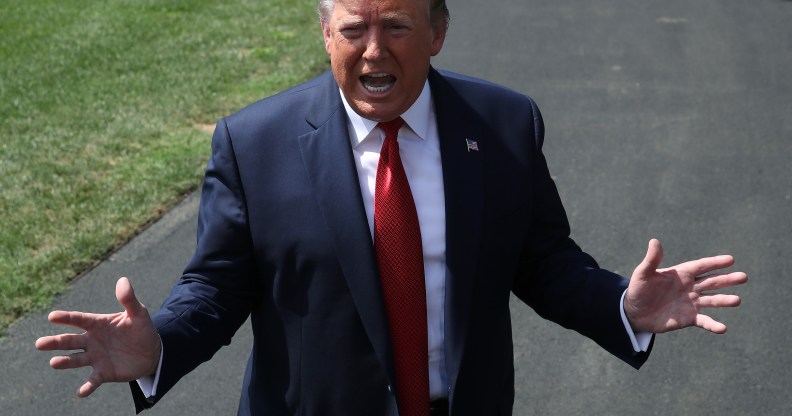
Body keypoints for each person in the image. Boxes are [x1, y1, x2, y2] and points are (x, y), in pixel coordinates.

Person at [36, 0, 748, 415]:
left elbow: (542, 261)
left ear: (436, 33)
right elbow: (218, 288)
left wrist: (622, 306)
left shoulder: (501, 125)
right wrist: (159, 343)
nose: (373, 50)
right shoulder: (254, 143)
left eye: (397, 27)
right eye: (353, 28)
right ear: (325, 34)